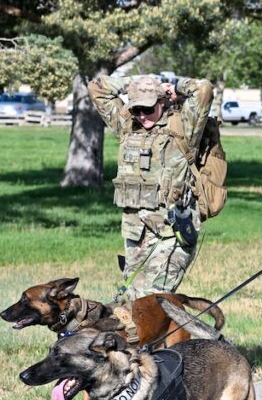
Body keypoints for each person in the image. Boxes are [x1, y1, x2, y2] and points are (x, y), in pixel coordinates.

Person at [88, 74, 214, 300]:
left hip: (171, 231)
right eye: (136, 109)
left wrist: (173, 86)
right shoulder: (127, 125)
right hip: (136, 232)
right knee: (132, 300)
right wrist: (137, 84)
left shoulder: (184, 126)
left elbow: (203, 89)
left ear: (162, 102)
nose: (142, 116)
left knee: (154, 299)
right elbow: (97, 88)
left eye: (147, 109)